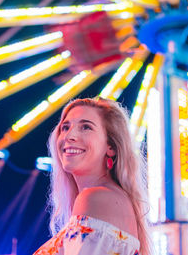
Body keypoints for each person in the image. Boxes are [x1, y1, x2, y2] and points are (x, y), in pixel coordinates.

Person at [34, 97, 150, 255]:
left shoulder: (95, 198)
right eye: (65, 127)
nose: (69, 136)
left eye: (86, 127)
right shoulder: (111, 198)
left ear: (111, 147)